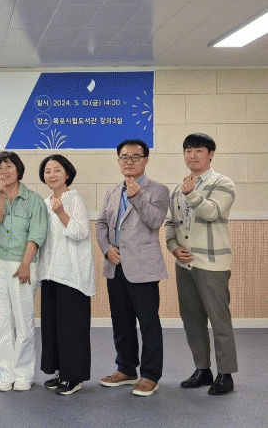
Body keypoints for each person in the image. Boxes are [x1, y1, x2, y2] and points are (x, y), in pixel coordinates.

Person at [165, 133, 237, 395]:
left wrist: (192, 195)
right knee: (192, 320)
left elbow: (212, 212)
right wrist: (174, 248)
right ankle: (202, 369)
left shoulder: (222, 183)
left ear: (211, 154)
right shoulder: (178, 187)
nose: (192, 155)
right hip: (185, 265)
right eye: (188, 151)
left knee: (219, 321)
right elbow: (170, 223)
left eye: (198, 150)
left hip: (212, 264)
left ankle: (225, 374)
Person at [95, 139, 169, 397]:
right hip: (115, 265)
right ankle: (126, 369)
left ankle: (150, 375)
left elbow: (155, 221)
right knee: (121, 321)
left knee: (148, 323)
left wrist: (136, 196)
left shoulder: (158, 190)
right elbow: (101, 224)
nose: (129, 161)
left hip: (143, 267)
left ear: (146, 160)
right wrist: (106, 248)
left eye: (135, 156)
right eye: (124, 157)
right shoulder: (112, 191)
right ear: (119, 161)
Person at [0, 151, 48, 392]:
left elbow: (37, 234)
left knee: (23, 320)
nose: (4, 171)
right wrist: (0, 193)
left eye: (9, 166)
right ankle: (5, 373)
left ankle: (23, 373)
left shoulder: (34, 200)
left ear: (18, 170)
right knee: (2, 321)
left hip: (24, 263)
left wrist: (25, 264)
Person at [37, 155, 96, 396]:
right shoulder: (44, 202)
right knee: (53, 326)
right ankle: (61, 371)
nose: (52, 175)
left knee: (72, 327)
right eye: (47, 171)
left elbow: (81, 232)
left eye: (57, 170)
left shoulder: (74, 199)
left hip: (72, 275)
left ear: (67, 173)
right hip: (50, 272)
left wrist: (61, 212)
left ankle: (74, 377)